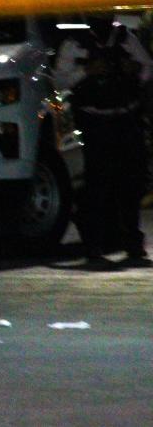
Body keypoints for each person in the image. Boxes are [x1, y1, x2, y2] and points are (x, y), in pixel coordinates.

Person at [55, 14, 153, 269]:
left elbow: (147, 66)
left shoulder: (124, 37)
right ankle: (94, 245)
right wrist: (87, 70)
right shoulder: (75, 43)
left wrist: (132, 69)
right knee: (98, 185)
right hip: (95, 122)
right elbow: (60, 81)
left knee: (131, 182)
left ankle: (132, 242)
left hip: (125, 117)